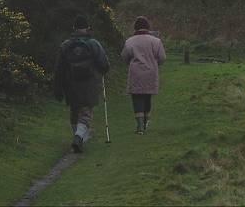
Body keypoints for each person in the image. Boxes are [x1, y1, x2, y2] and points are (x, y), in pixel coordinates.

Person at [54, 15, 110, 153]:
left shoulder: (65, 45)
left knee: (74, 110)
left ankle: (77, 137)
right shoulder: (93, 43)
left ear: (73, 28)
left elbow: (59, 69)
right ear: (88, 28)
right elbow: (104, 64)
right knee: (86, 112)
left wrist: (58, 88)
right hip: (89, 83)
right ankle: (79, 137)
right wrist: (102, 70)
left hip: (70, 83)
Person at [121, 16, 166, 135]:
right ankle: (146, 122)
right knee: (147, 97)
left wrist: (131, 63)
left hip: (136, 73)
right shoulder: (156, 41)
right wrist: (155, 63)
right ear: (148, 27)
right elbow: (162, 58)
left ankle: (140, 126)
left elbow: (124, 57)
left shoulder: (130, 41)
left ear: (135, 27)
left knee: (137, 98)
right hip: (151, 72)